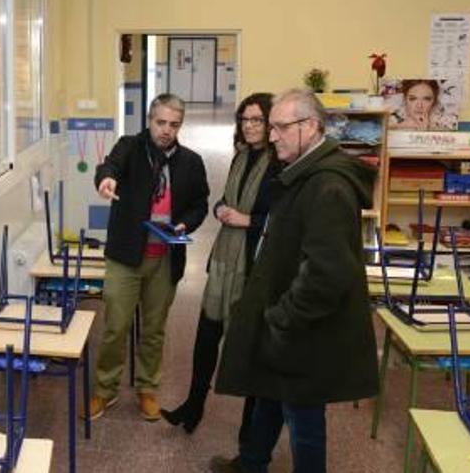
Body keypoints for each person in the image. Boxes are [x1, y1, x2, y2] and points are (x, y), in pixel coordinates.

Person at [213, 89, 380, 473]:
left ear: (311, 126)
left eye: (281, 127)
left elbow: (328, 272)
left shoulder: (328, 187)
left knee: (303, 420)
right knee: (270, 395)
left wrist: (282, 319)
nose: (272, 136)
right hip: (286, 321)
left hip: (304, 328)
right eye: (271, 127)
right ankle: (251, 464)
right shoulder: (304, 175)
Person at [161, 93, 279, 437]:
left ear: (271, 123)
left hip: (253, 265)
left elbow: (280, 220)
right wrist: (222, 209)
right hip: (224, 259)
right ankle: (193, 406)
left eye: (257, 120)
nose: (250, 126)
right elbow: (229, 198)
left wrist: (246, 220)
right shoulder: (241, 158)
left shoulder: (279, 164)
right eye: (245, 119)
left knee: (247, 351)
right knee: (205, 337)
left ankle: (249, 432)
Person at [88, 93, 210, 421]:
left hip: (165, 259)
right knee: (116, 326)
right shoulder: (129, 147)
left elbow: (200, 203)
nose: (166, 130)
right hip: (126, 256)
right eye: (161, 123)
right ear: (149, 120)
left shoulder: (191, 162)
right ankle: (104, 390)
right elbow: (109, 166)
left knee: (155, 329)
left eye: (173, 124)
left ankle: (146, 387)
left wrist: (186, 221)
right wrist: (106, 179)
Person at [388, 79, 456, 131]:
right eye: (413, 99)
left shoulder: (446, 125)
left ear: (434, 102)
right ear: (405, 100)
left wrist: (424, 132)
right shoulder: (390, 121)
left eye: (426, 99)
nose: (419, 106)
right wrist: (400, 126)